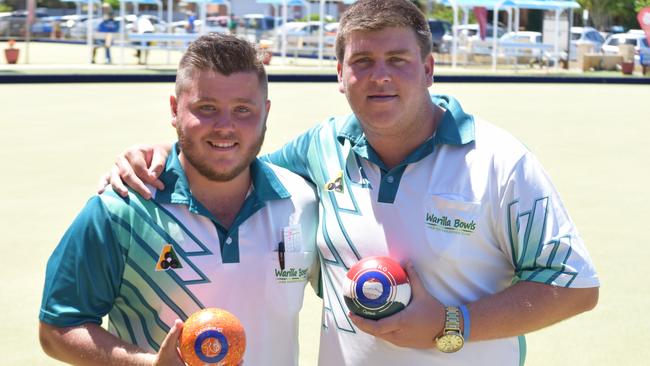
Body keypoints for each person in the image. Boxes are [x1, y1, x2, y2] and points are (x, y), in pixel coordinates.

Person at [101, 0, 600, 365]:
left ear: (428, 69)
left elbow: (575, 285)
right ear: (340, 75)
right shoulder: (323, 146)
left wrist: (451, 325)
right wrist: (166, 153)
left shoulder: (500, 161)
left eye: (398, 61)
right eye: (362, 62)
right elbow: (234, 165)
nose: (379, 76)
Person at [39, 33, 318, 366]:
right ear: (175, 109)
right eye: (207, 108)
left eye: (243, 109)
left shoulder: (302, 201)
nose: (225, 127)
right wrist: (147, 364)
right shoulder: (122, 209)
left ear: (265, 112)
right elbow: (57, 329)